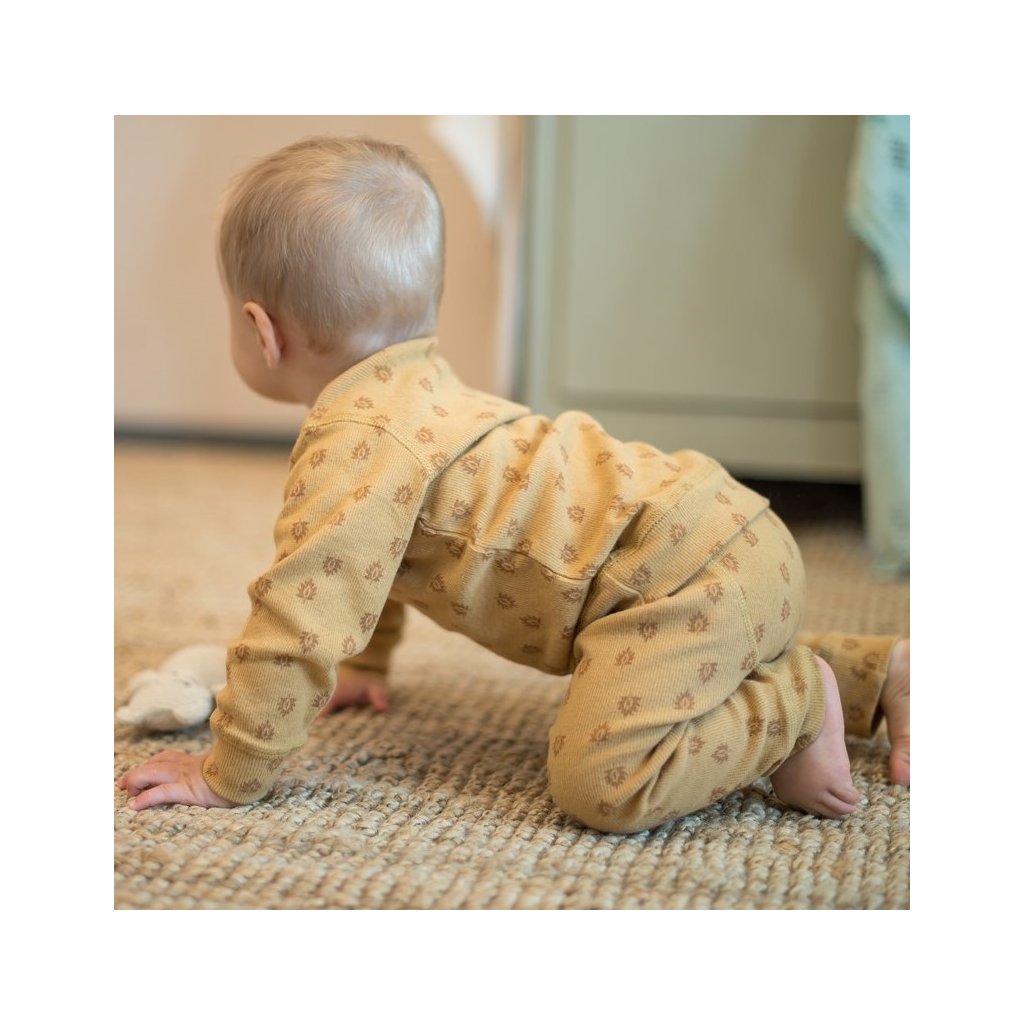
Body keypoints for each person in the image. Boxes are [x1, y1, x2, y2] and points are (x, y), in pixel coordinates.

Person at [119, 136, 910, 833]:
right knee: (704, 653)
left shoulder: (355, 444)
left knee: (605, 782)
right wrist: (364, 668)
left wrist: (228, 772)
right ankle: (879, 675)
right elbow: (365, 564)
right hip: (730, 539)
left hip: (675, 584)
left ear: (260, 331)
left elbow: (299, 619)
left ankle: (797, 703)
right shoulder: (425, 391)